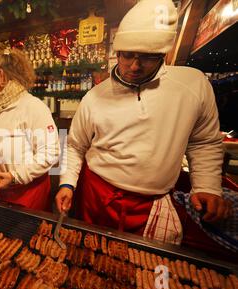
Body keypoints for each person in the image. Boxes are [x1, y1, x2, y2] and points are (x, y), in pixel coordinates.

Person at [55, 0, 232, 256]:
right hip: (97, 194)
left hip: (152, 202)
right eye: (128, 55)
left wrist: (207, 186)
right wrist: (67, 184)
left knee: (145, 270)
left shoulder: (193, 85)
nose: (135, 66)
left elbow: (204, 141)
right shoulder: (95, 97)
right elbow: (75, 145)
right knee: (90, 257)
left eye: (148, 57)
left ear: (163, 54)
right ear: (117, 51)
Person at [0, 48, 60, 211]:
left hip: (25, 197)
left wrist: (14, 177)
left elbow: (50, 152)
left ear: (2, 76)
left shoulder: (33, 107)